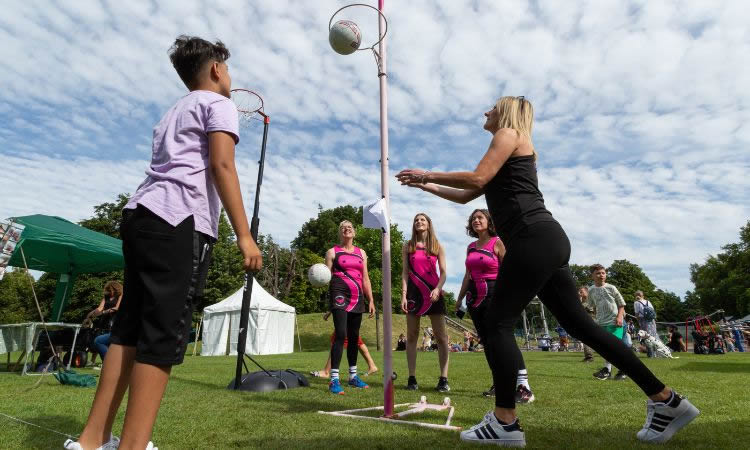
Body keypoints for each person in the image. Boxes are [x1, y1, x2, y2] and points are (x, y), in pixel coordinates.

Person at [397, 95, 698, 446]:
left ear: (506, 112)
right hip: (546, 240)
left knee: (496, 323)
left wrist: (426, 172)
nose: (486, 112)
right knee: (579, 325)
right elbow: (469, 195)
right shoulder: (511, 145)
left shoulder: (508, 133)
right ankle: (666, 400)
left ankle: (505, 423)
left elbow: (477, 178)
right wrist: (424, 185)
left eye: (491, 107)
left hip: (533, 238)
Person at [68, 36, 263, 450]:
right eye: (226, 69)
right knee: (161, 335)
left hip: (140, 215)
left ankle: (90, 440)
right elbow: (222, 163)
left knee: (128, 331)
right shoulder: (218, 104)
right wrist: (245, 236)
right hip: (177, 221)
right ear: (215, 70)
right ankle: (134, 445)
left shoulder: (174, 110)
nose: (229, 76)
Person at [456, 208, 534, 402]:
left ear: (489, 221)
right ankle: (499, 383)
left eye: (480, 217)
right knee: (489, 343)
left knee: (504, 340)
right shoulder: (471, 247)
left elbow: (509, 271)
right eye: (473, 218)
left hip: (495, 295)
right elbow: (467, 275)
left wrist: (511, 296)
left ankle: (524, 387)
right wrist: (459, 298)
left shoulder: (497, 242)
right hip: (474, 299)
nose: (476, 220)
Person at [324, 220, 376, 395]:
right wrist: (330, 305)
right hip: (339, 293)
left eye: (350, 227)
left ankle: (353, 377)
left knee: (354, 337)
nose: (347, 229)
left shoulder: (362, 253)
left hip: (357, 297)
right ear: (340, 233)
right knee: (340, 334)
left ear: (354, 232)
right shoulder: (332, 252)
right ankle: (334, 379)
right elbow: (326, 278)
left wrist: (371, 300)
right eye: (343, 228)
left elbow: (365, 278)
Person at [401, 213, 451, 392]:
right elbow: (405, 273)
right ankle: (412, 378)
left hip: (433, 293)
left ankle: (443, 379)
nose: (419, 222)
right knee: (412, 335)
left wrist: (438, 289)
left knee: (441, 337)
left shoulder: (437, 246)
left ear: (429, 224)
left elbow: (444, 272)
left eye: (422, 220)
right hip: (414, 293)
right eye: (416, 220)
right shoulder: (408, 246)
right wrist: (404, 295)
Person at [588, 264, 629, 381]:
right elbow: (592, 306)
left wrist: (620, 317)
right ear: (592, 276)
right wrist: (596, 319)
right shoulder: (591, 290)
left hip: (615, 322)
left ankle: (623, 370)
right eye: (598, 273)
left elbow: (621, 304)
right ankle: (607, 370)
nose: (601, 275)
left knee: (615, 347)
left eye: (603, 273)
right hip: (601, 323)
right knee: (607, 348)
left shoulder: (611, 288)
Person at [310, 311, 378, 378]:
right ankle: (372, 365)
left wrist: (330, 310)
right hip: (351, 311)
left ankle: (326, 371)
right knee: (355, 340)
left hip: (349, 312)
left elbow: (342, 300)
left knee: (339, 339)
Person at [84, 281, 123, 369]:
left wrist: (103, 312)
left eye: (110, 289)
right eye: (107, 290)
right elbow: (100, 307)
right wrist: (91, 314)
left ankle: (108, 363)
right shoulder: (106, 296)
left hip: (115, 321)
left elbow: (117, 308)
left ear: (115, 289)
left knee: (106, 342)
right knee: (100, 340)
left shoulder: (120, 296)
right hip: (104, 321)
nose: (108, 291)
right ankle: (104, 363)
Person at [634, 291, 659, 357]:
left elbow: (636, 314)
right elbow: (653, 311)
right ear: (643, 296)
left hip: (644, 321)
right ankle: (656, 353)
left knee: (646, 337)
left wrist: (638, 321)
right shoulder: (648, 302)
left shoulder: (636, 303)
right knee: (653, 336)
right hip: (652, 321)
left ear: (636, 296)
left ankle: (650, 354)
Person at [578, 286, 596, 362]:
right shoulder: (580, 301)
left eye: (581, 291)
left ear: (587, 291)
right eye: (579, 292)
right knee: (586, 339)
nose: (580, 293)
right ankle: (588, 356)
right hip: (585, 322)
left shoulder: (592, 300)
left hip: (593, 321)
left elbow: (595, 311)